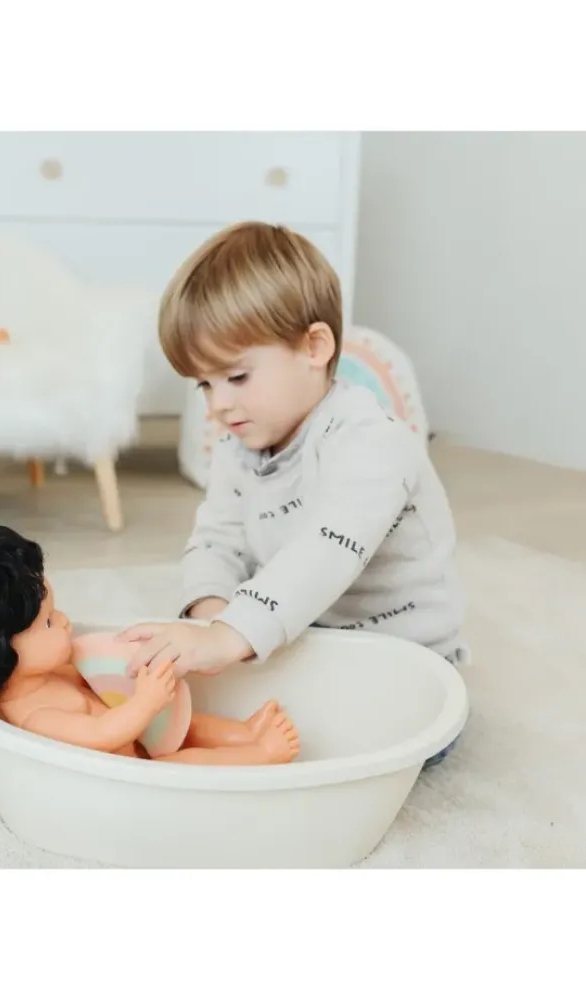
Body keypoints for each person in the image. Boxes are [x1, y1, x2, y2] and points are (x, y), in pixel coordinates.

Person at [116, 221, 469, 768]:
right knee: (187, 707)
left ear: (314, 346)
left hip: (401, 659)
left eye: (236, 377)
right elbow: (217, 539)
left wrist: (230, 637)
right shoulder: (239, 444)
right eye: (205, 384)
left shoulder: (371, 439)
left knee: (339, 753)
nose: (218, 405)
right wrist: (211, 618)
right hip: (305, 636)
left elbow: (328, 548)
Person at [0, 525, 300, 767]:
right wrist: (146, 703)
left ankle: (243, 733)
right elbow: (102, 733)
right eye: (48, 621)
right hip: (134, 768)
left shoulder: (45, 672)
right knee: (183, 764)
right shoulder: (37, 717)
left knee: (191, 725)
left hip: (141, 734)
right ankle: (261, 754)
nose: (64, 620)